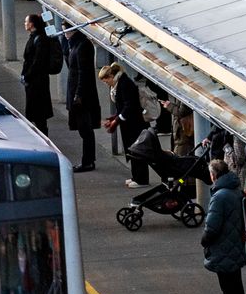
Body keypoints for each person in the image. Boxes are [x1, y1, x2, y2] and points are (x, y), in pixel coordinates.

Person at [200, 158, 246, 294]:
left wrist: (204, 241)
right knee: (236, 288)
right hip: (235, 245)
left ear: (213, 175)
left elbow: (212, 227)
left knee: (229, 292)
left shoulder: (219, 196)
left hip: (223, 248)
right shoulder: (235, 190)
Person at [102, 63, 149, 186]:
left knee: (137, 150)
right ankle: (136, 177)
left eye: (106, 81)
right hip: (130, 123)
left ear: (112, 76)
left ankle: (141, 179)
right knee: (133, 150)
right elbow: (123, 106)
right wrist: (114, 118)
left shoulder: (124, 84)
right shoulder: (122, 82)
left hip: (135, 124)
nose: (107, 84)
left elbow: (129, 106)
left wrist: (116, 121)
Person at [60, 29, 99, 171]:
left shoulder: (82, 46)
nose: (64, 33)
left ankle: (88, 161)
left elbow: (84, 72)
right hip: (77, 92)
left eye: (66, 29)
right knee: (84, 129)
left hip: (81, 95)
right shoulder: (75, 44)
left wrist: (79, 94)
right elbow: (66, 56)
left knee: (85, 128)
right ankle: (88, 159)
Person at [20, 14, 59, 133]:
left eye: (26, 21)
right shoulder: (37, 37)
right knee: (38, 114)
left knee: (38, 114)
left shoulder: (39, 39)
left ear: (31, 24)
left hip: (36, 83)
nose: (24, 23)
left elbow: (37, 61)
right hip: (36, 81)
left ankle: (43, 138)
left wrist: (27, 76)